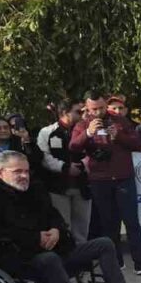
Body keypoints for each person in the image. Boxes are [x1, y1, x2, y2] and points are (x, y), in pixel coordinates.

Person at [0, 151, 140, 283]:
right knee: (49, 259)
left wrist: (56, 230)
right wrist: (35, 237)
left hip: (56, 247)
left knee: (104, 244)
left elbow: (54, 215)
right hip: (21, 256)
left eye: (26, 171)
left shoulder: (35, 188)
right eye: (17, 171)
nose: (24, 176)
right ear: (1, 172)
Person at [69, 90, 141, 275]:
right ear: (87, 108)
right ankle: (117, 262)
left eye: (101, 108)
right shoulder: (83, 123)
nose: (98, 112)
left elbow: (137, 143)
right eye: (93, 109)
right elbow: (73, 146)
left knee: (132, 221)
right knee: (108, 223)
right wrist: (88, 133)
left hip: (123, 177)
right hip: (100, 179)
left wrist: (118, 136)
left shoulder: (120, 120)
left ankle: (140, 263)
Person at [37, 100, 91, 244]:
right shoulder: (47, 132)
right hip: (58, 187)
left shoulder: (87, 130)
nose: (82, 115)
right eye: (78, 112)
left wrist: (82, 165)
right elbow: (44, 156)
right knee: (62, 226)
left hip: (82, 186)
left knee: (81, 227)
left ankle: (82, 260)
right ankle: (67, 259)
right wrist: (65, 167)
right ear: (65, 113)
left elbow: (95, 150)